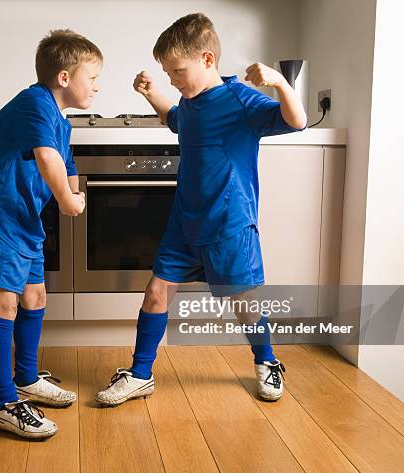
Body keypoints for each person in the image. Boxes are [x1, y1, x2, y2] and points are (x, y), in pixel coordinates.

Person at [95, 13, 306, 407]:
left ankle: (268, 360)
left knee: (242, 302)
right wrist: (151, 93)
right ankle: (140, 374)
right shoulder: (188, 104)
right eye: (168, 73)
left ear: (207, 60)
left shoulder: (241, 100)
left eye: (178, 71)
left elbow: (298, 122)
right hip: (184, 221)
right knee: (157, 292)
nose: (173, 80)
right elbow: (174, 120)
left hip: (229, 223)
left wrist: (279, 82)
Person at [0, 29, 102, 438]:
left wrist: (73, 190)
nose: (97, 86)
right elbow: (46, 158)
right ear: (63, 77)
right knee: (4, 305)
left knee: (35, 296)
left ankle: (25, 378)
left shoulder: (59, 117)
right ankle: (3, 402)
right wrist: (67, 200)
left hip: (24, 221)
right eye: (91, 78)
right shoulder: (33, 104)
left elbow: (66, 161)